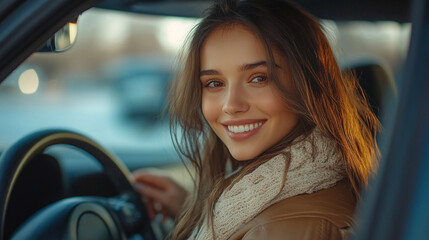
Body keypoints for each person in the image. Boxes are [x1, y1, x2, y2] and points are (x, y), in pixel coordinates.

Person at [134, 0, 379, 239]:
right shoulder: (313, 189)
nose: (231, 105)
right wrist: (193, 209)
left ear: (308, 85)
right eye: (214, 83)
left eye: (258, 78)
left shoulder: (289, 228)